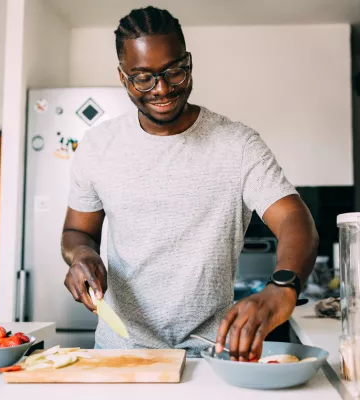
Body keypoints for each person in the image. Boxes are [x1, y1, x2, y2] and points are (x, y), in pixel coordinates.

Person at [61, 6, 318, 360]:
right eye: (143, 78)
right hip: (120, 353)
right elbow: (77, 232)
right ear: (123, 77)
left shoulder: (237, 144)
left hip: (211, 354)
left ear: (189, 63)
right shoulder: (99, 145)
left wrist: (283, 287)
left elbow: (294, 220)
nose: (162, 89)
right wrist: (82, 256)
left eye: (174, 72)